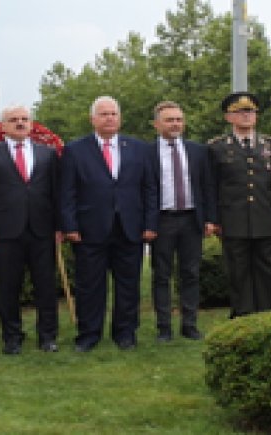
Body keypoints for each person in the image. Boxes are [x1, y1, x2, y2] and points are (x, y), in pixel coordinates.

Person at [60, 96, 158, 352]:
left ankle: (125, 333)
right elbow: (67, 191)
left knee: (128, 284)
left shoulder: (138, 148)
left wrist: (150, 223)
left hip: (129, 227)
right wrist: (69, 226)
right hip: (89, 229)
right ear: (93, 119)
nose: (109, 118)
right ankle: (89, 334)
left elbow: (149, 189)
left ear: (120, 118)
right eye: (103, 114)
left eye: (113, 113)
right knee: (90, 286)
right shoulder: (75, 150)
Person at [0, 105, 62, 354]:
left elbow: (55, 194)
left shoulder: (47, 154)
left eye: (24, 119)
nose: (20, 123)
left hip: (42, 230)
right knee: (8, 288)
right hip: (6, 232)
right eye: (14, 120)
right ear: (3, 126)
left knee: (46, 287)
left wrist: (59, 227)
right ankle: (12, 337)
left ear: (32, 124)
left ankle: (48, 336)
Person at [206, 92, 271, 318]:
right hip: (233, 219)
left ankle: (268, 313)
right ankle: (242, 313)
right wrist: (214, 219)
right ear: (229, 117)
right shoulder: (216, 148)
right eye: (241, 112)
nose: (247, 116)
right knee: (238, 270)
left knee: (268, 268)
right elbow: (211, 186)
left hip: (266, 217)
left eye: (251, 111)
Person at [149, 100, 214, 341]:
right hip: (162, 221)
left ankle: (189, 324)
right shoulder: (147, 153)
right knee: (161, 275)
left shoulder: (198, 150)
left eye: (178, 119)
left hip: (191, 219)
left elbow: (207, 187)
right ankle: (164, 327)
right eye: (169, 120)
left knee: (191, 273)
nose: (175, 124)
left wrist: (210, 219)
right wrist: (147, 223)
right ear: (157, 124)